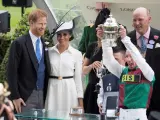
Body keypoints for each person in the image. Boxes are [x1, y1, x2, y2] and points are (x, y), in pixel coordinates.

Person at [100, 25, 155, 119]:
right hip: (122, 115)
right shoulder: (123, 71)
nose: (129, 59)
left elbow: (138, 57)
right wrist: (104, 39)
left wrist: (125, 39)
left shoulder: (148, 73)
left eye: (131, 56)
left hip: (138, 115)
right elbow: (108, 61)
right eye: (127, 56)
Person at [7, 9, 50, 113]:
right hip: (25, 96)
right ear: (31, 23)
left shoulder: (44, 43)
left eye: (45, 23)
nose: (43, 27)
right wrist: (15, 97)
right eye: (40, 23)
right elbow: (11, 72)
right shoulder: (19, 43)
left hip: (42, 94)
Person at [127, 7, 160, 118]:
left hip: (157, 92)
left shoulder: (159, 37)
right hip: (134, 93)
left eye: (140, 19)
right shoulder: (127, 39)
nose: (137, 23)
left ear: (149, 19)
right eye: (134, 20)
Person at [45, 20, 83, 112]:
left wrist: (81, 104)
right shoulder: (48, 52)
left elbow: (78, 79)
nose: (62, 37)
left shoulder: (76, 54)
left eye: (65, 34)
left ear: (70, 35)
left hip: (69, 90)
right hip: (52, 88)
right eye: (59, 35)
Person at [97, 46, 126, 114]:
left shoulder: (130, 75)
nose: (113, 63)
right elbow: (100, 95)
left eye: (116, 59)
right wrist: (100, 103)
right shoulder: (104, 77)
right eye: (112, 60)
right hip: (108, 113)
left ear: (124, 59)